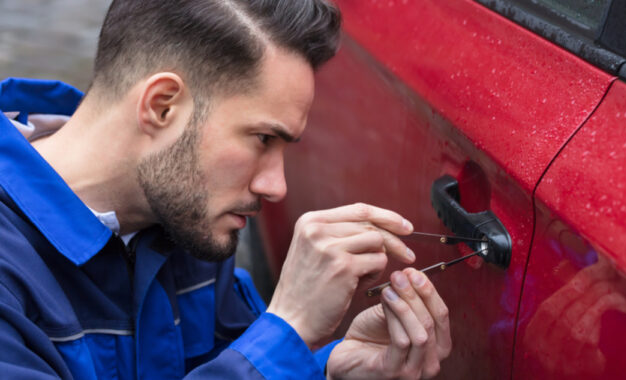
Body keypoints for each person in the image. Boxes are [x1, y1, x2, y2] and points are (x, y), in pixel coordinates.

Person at [0, 0, 452, 379]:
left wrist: (328, 368)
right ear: (162, 106)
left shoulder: (184, 219)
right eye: (262, 139)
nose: (275, 187)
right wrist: (289, 326)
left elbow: (240, 359)